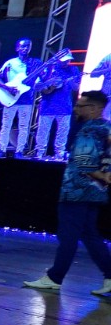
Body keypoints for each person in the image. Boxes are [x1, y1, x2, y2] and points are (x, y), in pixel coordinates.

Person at [23, 91, 111, 295]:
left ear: (94, 108)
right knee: (90, 235)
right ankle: (110, 275)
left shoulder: (89, 130)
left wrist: (98, 175)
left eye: (80, 106)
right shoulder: (106, 128)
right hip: (95, 192)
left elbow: (84, 162)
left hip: (76, 191)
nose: (75, 109)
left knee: (68, 235)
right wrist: (104, 178)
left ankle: (55, 277)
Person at [0, 38, 38, 155]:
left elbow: (40, 79)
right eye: (23, 46)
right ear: (17, 48)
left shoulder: (34, 63)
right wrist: (7, 87)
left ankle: (19, 151)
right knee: (6, 125)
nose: (25, 48)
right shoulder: (10, 63)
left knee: (24, 127)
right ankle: (2, 150)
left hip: (26, 100)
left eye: (28, 46)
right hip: (10, 98)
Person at [34, 54, 81, 160]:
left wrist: (71, 81)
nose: (67, 62)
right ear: (58, 60)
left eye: (68, 60)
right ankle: (39, 152)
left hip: (65, 106)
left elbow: (76, 87)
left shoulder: (73, 69)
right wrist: (50, 82)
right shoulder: (48, 69)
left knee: (63, 132)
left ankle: (59, 153)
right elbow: (37, 87)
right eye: (64, 60)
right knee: (43, 131)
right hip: (47, 106)